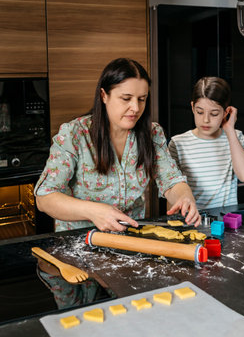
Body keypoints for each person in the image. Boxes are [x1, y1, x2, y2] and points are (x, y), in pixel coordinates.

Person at [35, 58, 201, 232]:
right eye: (126, 98)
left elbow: (172, 181)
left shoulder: (152, 134)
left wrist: (184, 196)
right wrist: (93, 211)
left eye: (142, 99)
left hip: (131, 237)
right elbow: (44, 197)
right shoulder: (74, 134)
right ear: (104, 96)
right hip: (80, 241)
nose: (135, 108)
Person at [168, 76, 244, 209]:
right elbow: (172, 191)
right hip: (191, 223)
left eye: (214, 114)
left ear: (226, 112)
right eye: (200, 112)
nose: (206, 120)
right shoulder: (178, 144)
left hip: (226, 223)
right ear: (192, 107)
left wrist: (230, 131)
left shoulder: (236, 137)